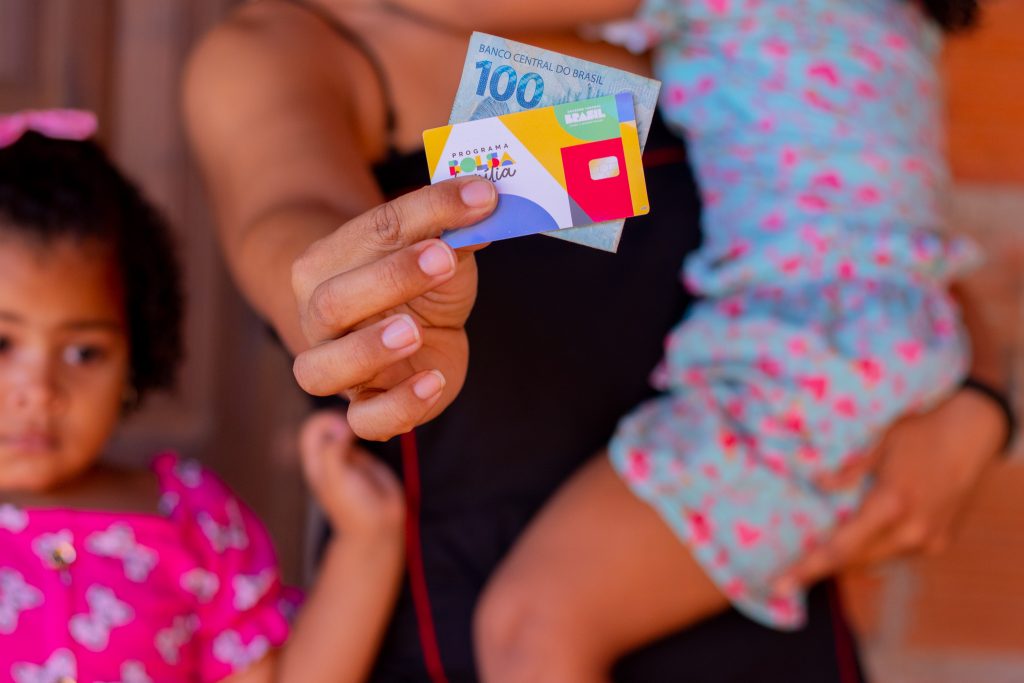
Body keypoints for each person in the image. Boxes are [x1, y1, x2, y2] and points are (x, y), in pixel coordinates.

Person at [183, 2, 1011, 680]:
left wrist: (981, 399)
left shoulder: (712, 30)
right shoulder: (301, 45)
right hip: (480, 635)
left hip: (757, 625)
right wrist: (359, 299)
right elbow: (293, 225)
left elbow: (883, 256)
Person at [0, 111, 404, 683]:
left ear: (137, 350)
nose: (39, 393)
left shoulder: (194, 521)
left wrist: (369, 538)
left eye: (83, 352)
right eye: (2, 343)